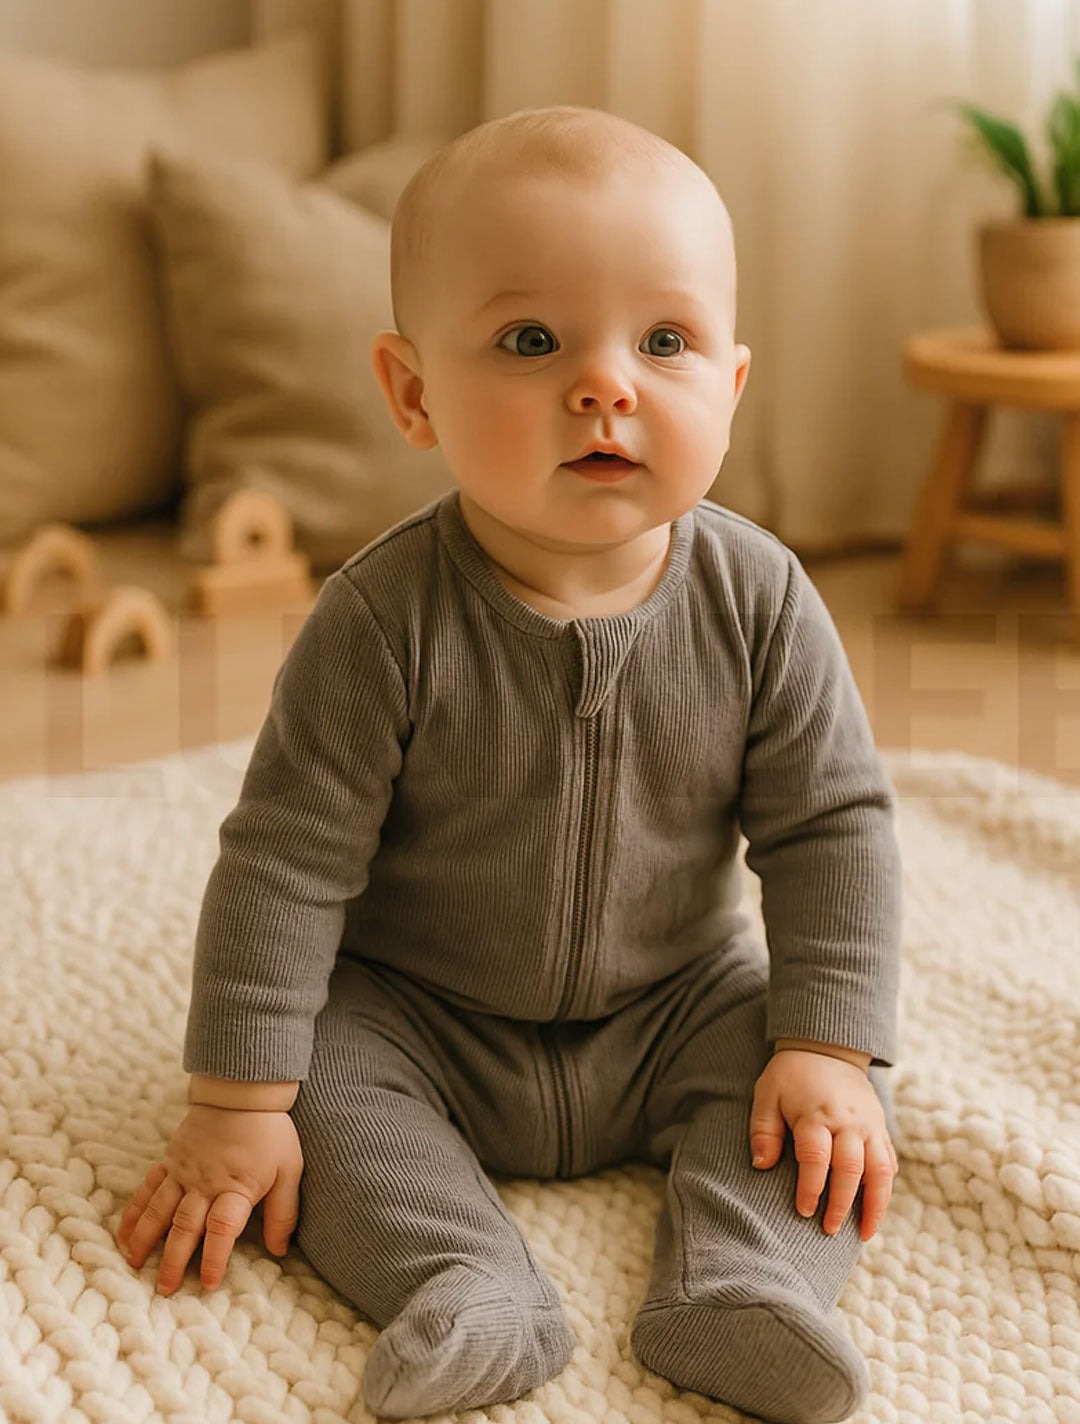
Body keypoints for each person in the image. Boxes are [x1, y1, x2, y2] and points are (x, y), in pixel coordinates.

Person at [115, 104, 902, 1424]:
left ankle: (744, 1286)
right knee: (314, 1093)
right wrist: (233, 1099)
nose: (608, 385)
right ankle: (468, 1283)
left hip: (674, 1005)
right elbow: (287, 859)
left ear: (732, 386)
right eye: (532, 342)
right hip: (426, 1014)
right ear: (413, 392)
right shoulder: (378, 619)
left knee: (822, 1109)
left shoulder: (761, 598)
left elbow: (833, 824)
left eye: (666, 342)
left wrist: (829, 1041)